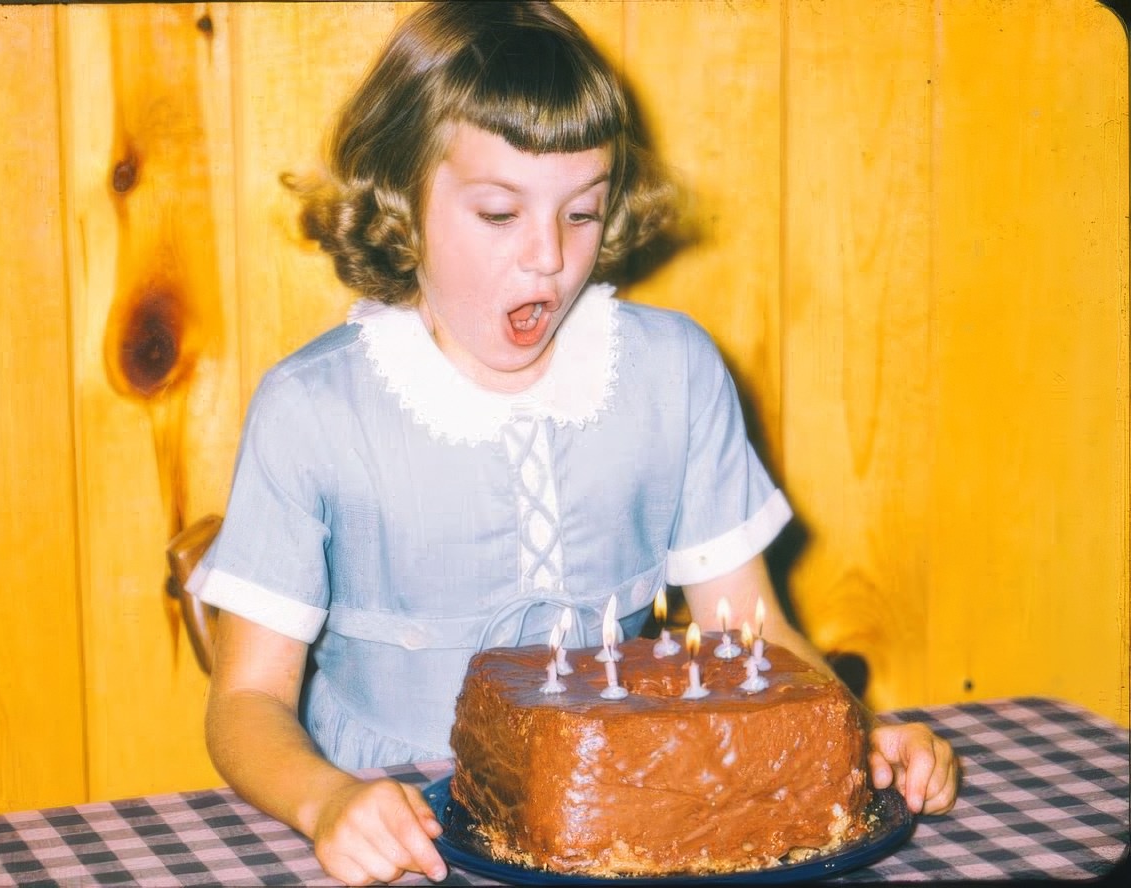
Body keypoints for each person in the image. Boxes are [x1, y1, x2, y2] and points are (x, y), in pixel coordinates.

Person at [188, 2, 960, 884]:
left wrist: (858, 736)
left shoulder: (672, 372)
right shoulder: (313, 409)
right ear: (401, 196)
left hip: (628, 824)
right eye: (498, 214)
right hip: (390, 830)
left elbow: (754, 633)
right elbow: (246, 701)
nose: (549, 259)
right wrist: (324, 801)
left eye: (582, 213)